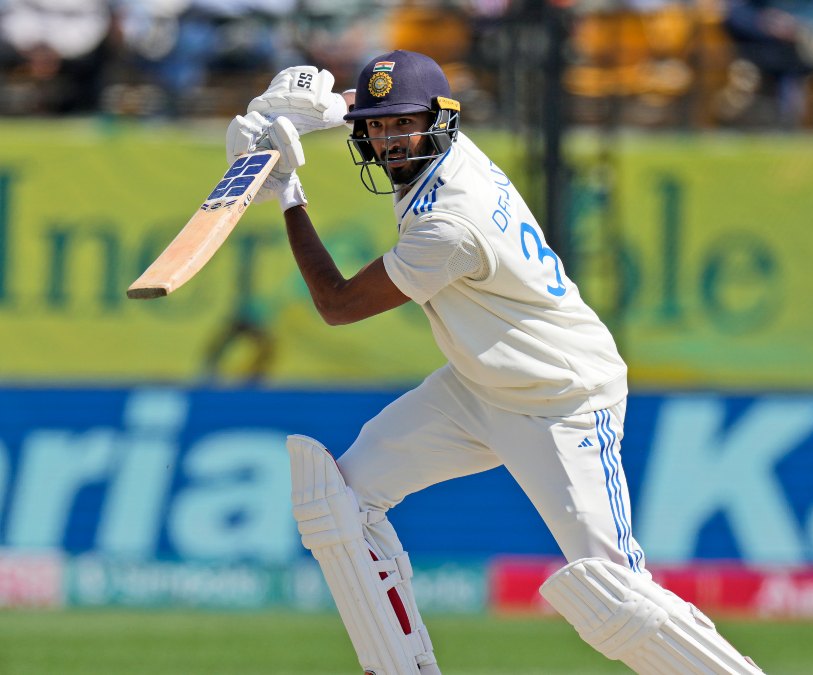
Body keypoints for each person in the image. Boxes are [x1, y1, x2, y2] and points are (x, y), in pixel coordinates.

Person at [224, 51, 762, 675]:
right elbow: (387, 99)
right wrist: (310, 111)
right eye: (376, 126)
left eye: (403, 125)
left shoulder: (449, 224)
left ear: (438, 121)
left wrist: (289, 191)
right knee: (337, 501)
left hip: (560, 399)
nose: (390, 139)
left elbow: (338, 305)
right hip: (478, 385)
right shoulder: (448, 145)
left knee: (617, 598)